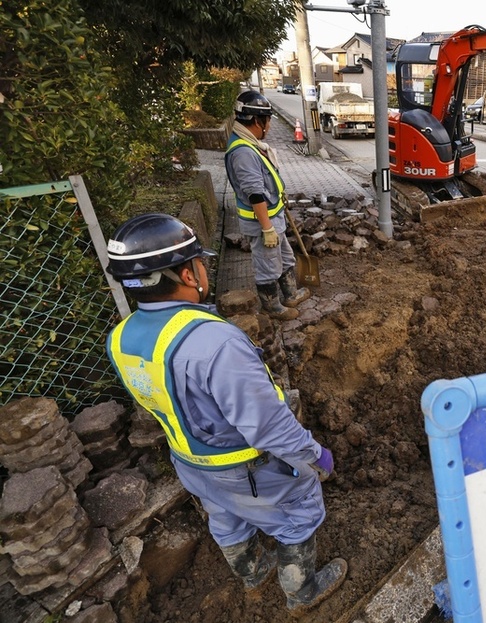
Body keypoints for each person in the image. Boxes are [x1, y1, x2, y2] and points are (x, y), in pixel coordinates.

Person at [104, 213, 346, 612]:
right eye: (200, 262)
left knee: (225, 515)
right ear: (185, 274)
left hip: (191, 463)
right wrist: (314, 455)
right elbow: (267, 425)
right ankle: (303, 593)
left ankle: (253, 572)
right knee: (300, 511)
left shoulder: (120, 337)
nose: (204, 269)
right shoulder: (214, 343)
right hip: (248, 467)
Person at [225, 90, 309, 320]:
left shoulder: (251, 144)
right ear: (256, 120)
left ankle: (290, 293)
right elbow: (254, 194)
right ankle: (272, 307)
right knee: (267, 265)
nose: (270, 125)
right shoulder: (242, 152)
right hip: (262, 223)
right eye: (268, 120)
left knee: (285, 257)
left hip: (274, 217)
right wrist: (267, 228)